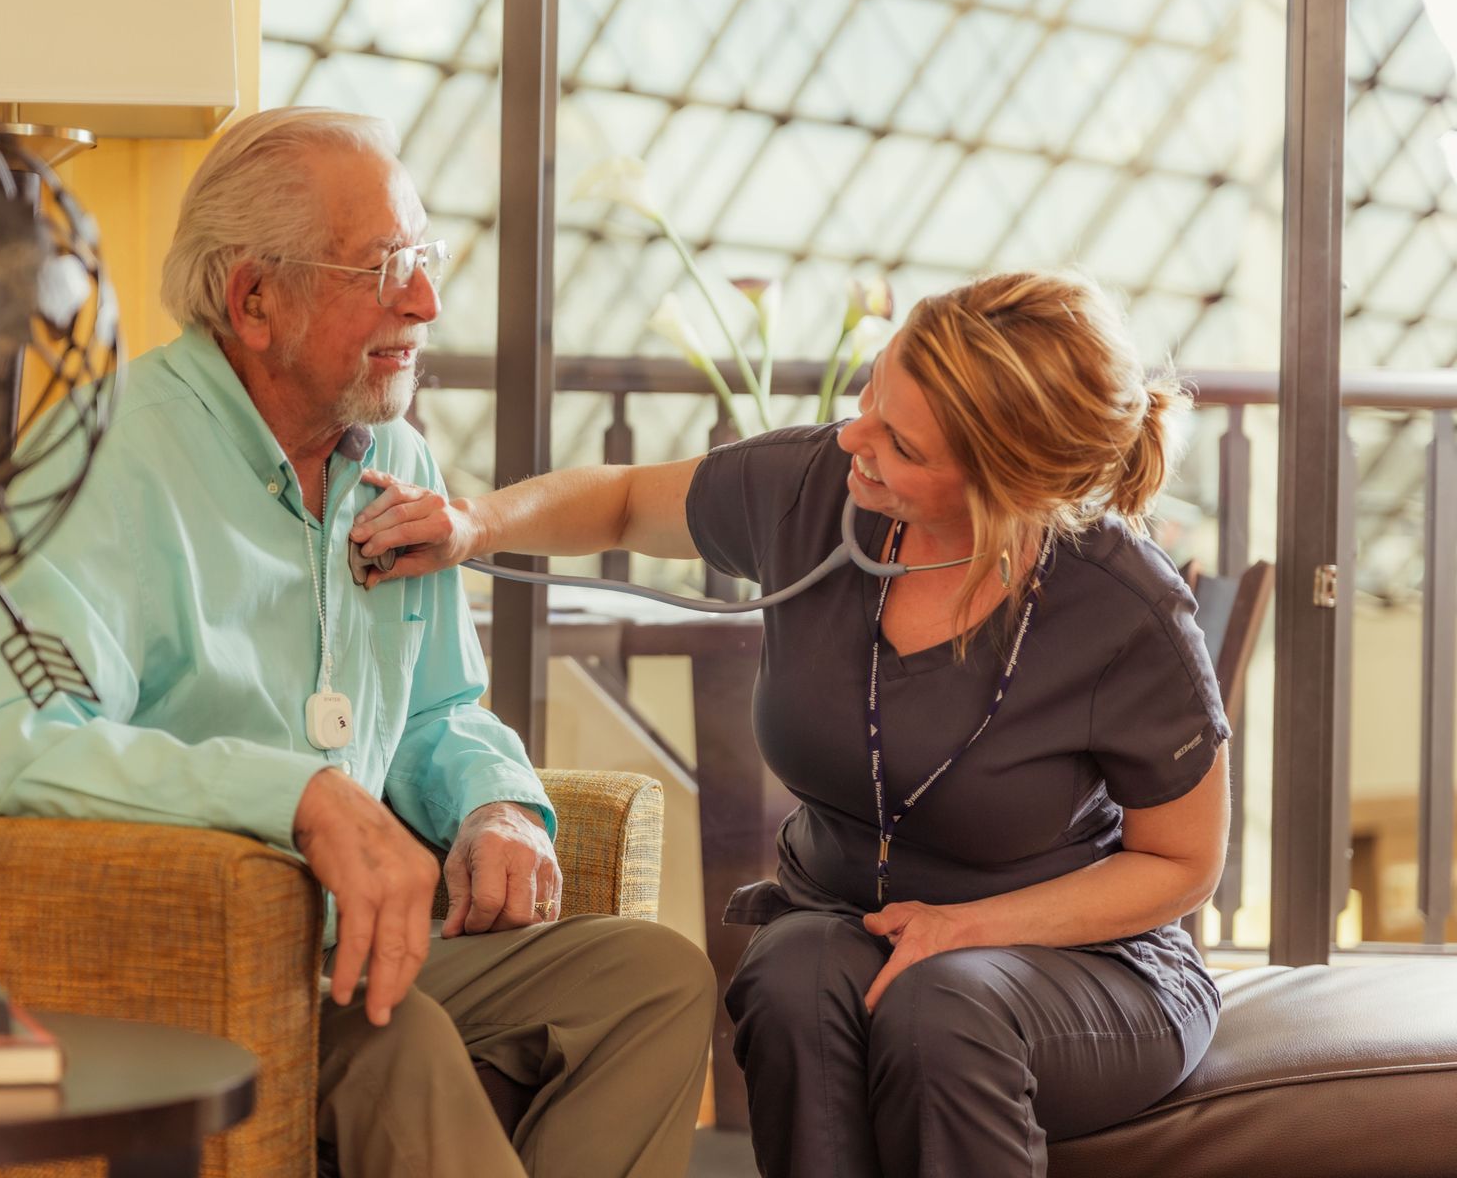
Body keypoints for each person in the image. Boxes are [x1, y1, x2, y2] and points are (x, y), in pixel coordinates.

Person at [0, 107, 714, 1178]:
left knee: (654, 981)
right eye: (386, 268)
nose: (426, 305)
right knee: (399, 1041)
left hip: (356, 949)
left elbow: (435, 709)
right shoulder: (100, 459)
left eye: (424, 263)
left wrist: (493, 802)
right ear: (255, 299)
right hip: (178, 952)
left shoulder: (398, 460)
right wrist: (293, 793)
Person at [350, 270, 1229, 1177]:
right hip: (854, 922)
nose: (856, 436)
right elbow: (621, 498)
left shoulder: (1123, 607)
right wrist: (471, 522)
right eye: (872, 395)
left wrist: (972, 928)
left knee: (941, 1011)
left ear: (1005, 482)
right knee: (787, 976)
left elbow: (1183, 863)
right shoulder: (817, 488)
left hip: (1087, 960)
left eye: (901, 442)